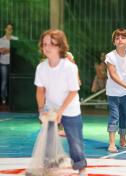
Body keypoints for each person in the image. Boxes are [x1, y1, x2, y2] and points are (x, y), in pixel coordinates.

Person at [34, 29, 87, 175]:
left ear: (60, 46)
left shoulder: (69, 67)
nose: (47, 47)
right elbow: (40, 91)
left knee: (75, 142)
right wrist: (41, 110)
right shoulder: (41, 68)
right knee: (48, 140)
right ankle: (48, 167)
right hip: (51, 109)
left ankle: (81, 167)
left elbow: (73, 91)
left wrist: (61, 112)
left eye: (52, 43)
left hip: (70, 109)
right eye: (44, 44)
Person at [0, 23, 18, 104]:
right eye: (8, 28)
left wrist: (6, 50)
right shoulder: (1, 40)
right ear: (5, 29)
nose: (9, 30)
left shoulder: (15, 39)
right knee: (4, 82)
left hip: (13, 63)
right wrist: (10, 49)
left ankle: (13, 99)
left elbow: (17, 51)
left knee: (13, 81)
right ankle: (4, 98)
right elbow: (1, 51)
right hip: (3, 63)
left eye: (11, 29)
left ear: (12, 30)